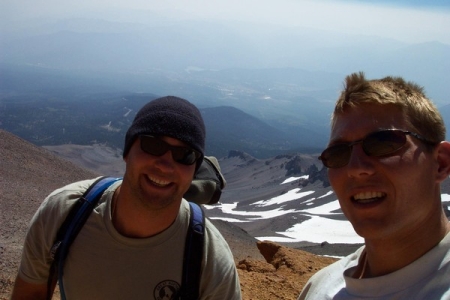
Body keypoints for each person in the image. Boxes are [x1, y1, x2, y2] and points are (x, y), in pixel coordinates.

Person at [11, 96, 242, 299]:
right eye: (152, 144)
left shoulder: (209, 258)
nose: (164, 164)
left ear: (194, 170)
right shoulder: (63, 212)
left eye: (185, 154)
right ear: (127, 151)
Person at [298, 72, 450, 299]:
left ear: (440, 163)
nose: (356, 168)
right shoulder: (320, 286)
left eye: (383, 143)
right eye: (338, 153)